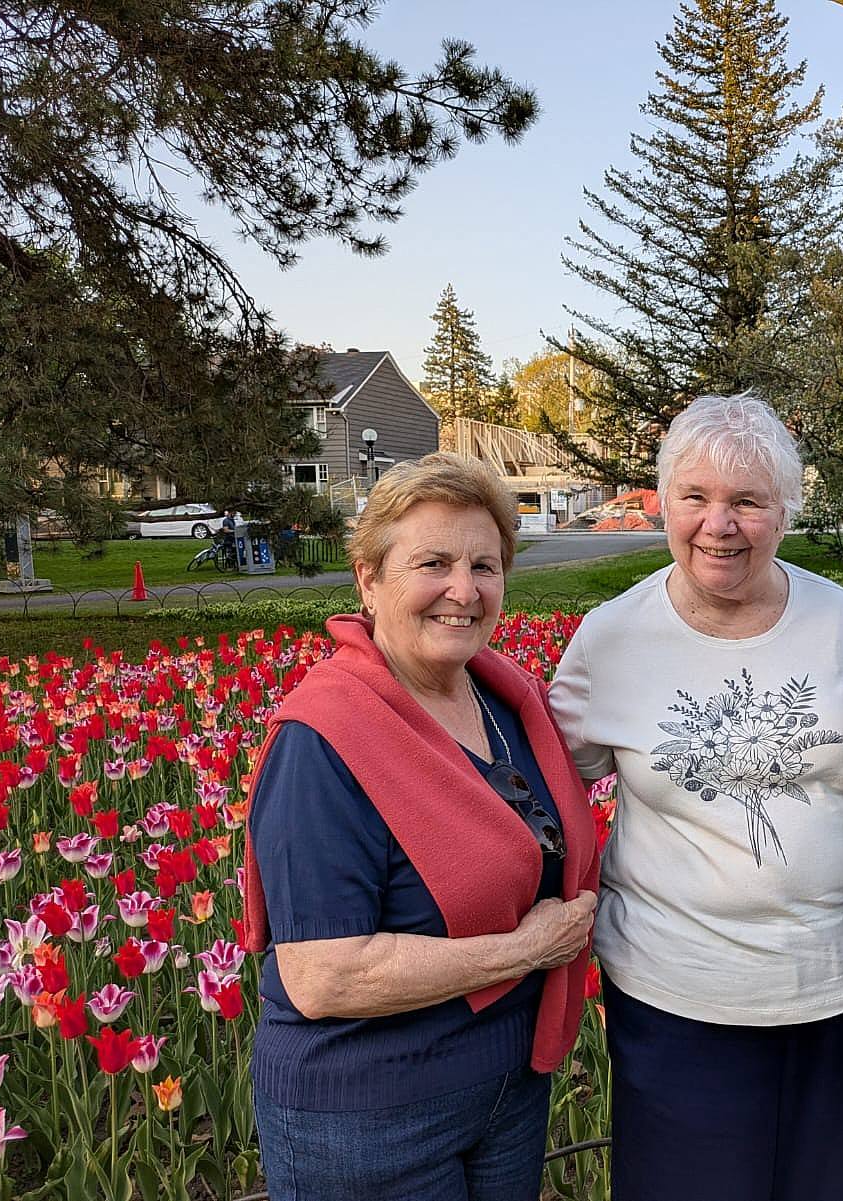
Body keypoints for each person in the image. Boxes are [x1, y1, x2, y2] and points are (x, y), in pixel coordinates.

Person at [548, 394, 843, 1201]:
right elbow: (546, 778)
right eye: (695, 497)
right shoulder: (612, 637)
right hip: (677, 989)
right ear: (663, 503)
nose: (718, 523)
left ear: (785, 512)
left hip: (838, 981)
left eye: (747, 501)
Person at [242, 453, 601, 1201]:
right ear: (368, 579)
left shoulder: (507, 702)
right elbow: (323, 973)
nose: (464, 591)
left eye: (485, 564)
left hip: (505, 1088)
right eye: (432, 563)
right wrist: (526, 948)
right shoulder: (324, 737)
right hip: (369, 1114)